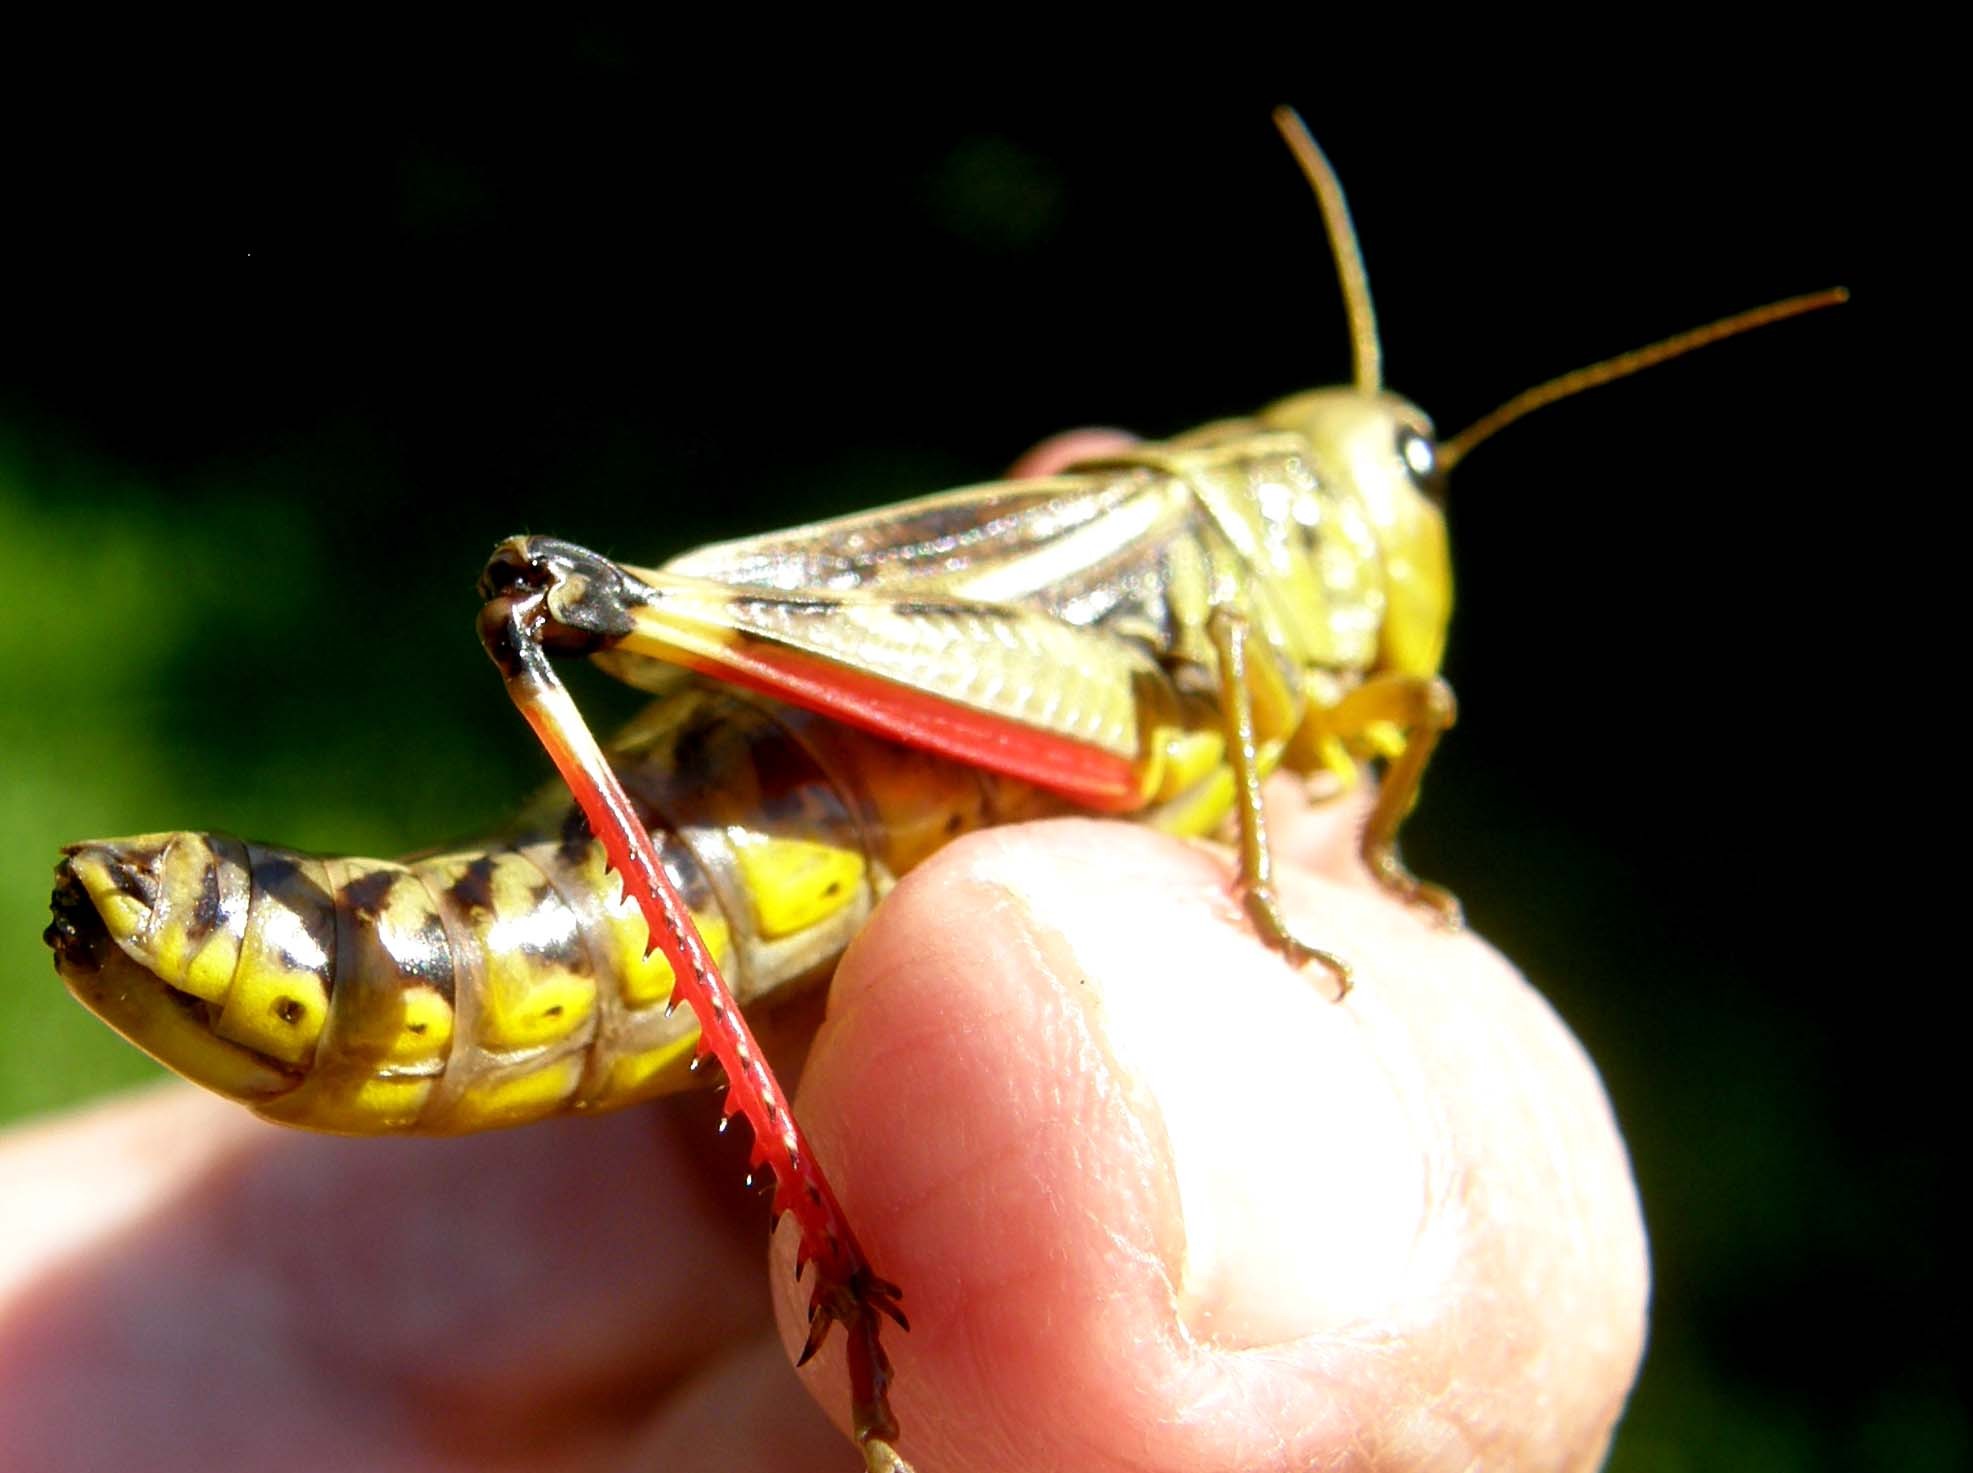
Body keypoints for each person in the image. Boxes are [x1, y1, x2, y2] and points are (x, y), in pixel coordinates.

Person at [0, 434, 1647, 1472]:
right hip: (810, 785)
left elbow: (1399, 710)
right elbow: (1338, 693)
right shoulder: (1221, 595)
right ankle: (833, 1253)